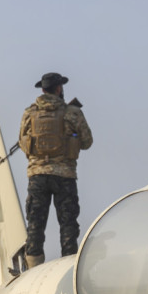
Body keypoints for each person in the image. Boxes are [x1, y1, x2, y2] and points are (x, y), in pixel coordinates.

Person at [19, 72, 93, 267]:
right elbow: (87, 142)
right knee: (68, 226)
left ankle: (33, 269)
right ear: (59, 89)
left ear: (42, 90)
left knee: (35, 225)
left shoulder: (29, 113)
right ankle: (69, 267)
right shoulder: (73, 113)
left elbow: (22, 142)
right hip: (65, 176)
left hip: (37, 176)